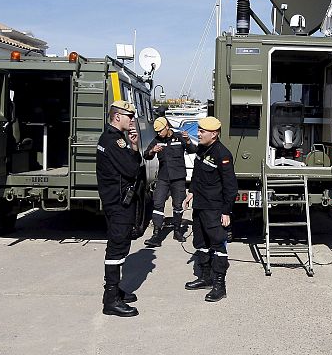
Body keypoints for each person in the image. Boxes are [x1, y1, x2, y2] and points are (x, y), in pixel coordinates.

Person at [183, 116, 238, 302]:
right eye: (198, 130)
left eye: (202, 131)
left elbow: (231, 187)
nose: (198, 134)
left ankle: (219, 286)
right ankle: (205, 278)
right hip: (200, 205)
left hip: (214, 209)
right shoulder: (202, 149)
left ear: (213, 134)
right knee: (200, 243)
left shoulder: (223, 154)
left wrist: (226, 211)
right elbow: (197, 175)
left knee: (218, 246)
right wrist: (191, 192)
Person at [96, 100, 142, 317]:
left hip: (116, 201)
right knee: (117, 248)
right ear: (117, 117)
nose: (132, 120)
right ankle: (111, 299)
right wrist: (133, 149)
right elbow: (133, 169)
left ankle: (116, 291)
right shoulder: (114, 141)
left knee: (121, 246)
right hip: (118, 203)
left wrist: (133, 146)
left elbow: (133, 164)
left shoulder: (114, 139)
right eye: (129, 116)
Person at [142, 116, 197, 245]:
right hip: (163, 178)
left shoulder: (179, 137)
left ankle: (177, 231)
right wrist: (152, 151)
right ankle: (156, 234)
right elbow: (146, 155)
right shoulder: (157, 140)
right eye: (157, 132)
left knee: (178, 205)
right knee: (158, 204)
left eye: (160, 130)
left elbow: (193, 150)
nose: (158, 133)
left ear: (167, 127)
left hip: (178, 178)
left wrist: (188, 141)